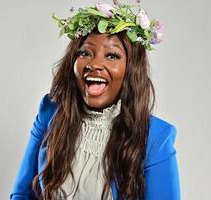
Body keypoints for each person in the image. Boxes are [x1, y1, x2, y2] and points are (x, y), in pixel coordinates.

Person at [10, 1, 180, 200]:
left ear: (131, 70)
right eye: (85, 53)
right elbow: (22, 194)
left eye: (112, 55)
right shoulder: (50, 113)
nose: (95, 64)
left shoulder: (156, 137)